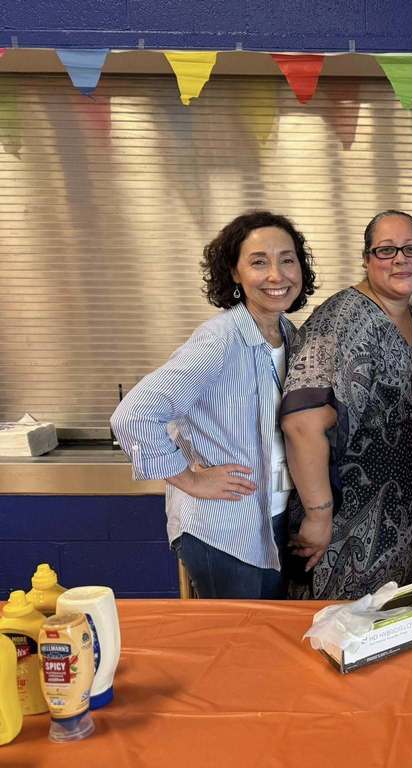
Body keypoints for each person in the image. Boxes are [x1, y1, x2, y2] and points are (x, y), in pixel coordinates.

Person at [111, 211, 317, 598]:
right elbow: (134, 416)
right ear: (235, 273)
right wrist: (189, 478)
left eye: (287, 259)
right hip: (224, 529)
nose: (277, 275)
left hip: (267, 519)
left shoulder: (287, 333)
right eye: (259, 262)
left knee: (266, 642)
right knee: (238, 647)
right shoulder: (220, 339)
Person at [282, 210, 412, 600]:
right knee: (335, 638)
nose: (400, 259)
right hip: (345, 526)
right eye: (386, 250)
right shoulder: (343, 320)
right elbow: (302, 423)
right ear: (366, 259)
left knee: (379, 638)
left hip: (398, 522)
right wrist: (318, 515)